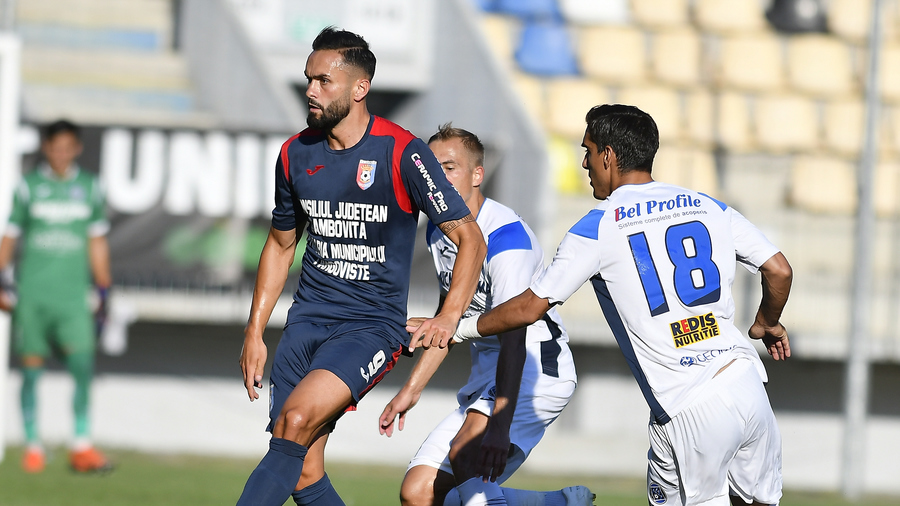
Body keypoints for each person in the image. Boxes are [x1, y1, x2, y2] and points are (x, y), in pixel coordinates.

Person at [411, 104, 793, 506]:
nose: (584, 163)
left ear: (608, 156)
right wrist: (767, 322)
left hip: (686, 406)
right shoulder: (708, 205)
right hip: (747, 383)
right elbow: (779, 270)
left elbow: (527, 309)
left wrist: (457, 326)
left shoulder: (599, 225)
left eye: (588, 151)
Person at [236, 27, 486, 506]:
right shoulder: (294, 153)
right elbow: (281, 243)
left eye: (324, 81)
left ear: (359, 88)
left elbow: (469, 237)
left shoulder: (402, 151)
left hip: (368, 327)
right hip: (306, 322)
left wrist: (450, 315)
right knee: (304, 470)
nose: (311, 90)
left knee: (292, 423)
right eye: (309, 79)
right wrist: (254, 332)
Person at [379, 125, 593, 506]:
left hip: (534, 369)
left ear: (478, 175)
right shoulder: (439, 234)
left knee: (467, 456)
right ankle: (552, 504)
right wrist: (409, 391)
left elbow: (516, 333)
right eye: (431, 169)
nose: (437, 179)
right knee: (418, 494)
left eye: (449, 168)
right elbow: (449, 318)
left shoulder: (507, 238)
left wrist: (500, 423)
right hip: (490, 374)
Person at [0, 119, 113, 473]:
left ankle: (81, 444)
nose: (61, 154)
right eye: (55, 147)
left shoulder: (90, 187)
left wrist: (104, 287)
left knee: (82, 366)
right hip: (33, 295)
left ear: (76, 148)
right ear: (46, 148)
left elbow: (96, 240)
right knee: (32, 371)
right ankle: (33, 446)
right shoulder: (28, 187)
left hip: (72, 298)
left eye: (67, 148)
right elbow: (10, 236)